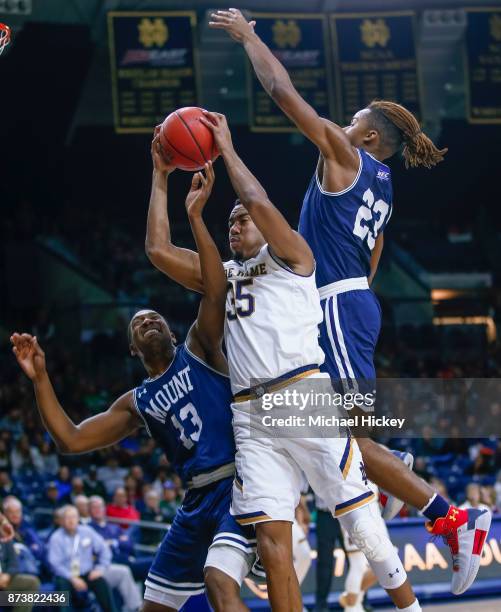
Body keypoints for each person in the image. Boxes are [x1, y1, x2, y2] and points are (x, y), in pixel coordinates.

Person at [207, 7, 491, 596]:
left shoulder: (344, 156)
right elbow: (375, 254)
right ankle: (399, 480)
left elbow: (283, 91)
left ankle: (452, 521)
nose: (339, 122)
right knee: (348, 441)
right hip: (354, 302)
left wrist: (250, 36)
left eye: (352, 120)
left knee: (353, 441)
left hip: (337, 306)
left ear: (364, 136)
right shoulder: (384, 188)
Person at [147, 114, 420, 612]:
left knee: (360, 522)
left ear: (270, 228)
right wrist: (161, 176)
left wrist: (226, 149)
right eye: (228, 220)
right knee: (274, 546)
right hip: (251, 417)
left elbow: (256, 200)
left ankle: (411, 607)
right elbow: (158, 250)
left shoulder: (295, 256)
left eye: (241, 219)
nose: (234, 221)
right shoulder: (221, 278)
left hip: (302, 394)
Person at [11, 162, 257, 612]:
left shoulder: (199, 348)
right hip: (195, 500)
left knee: (222, 589)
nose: (149, 320)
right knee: (152, 608)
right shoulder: (137, 402)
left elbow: (216, 290)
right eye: (139, 321)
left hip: (237, 484)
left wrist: (196, 215)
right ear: (131, 348)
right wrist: (41, 378)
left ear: (170, 329)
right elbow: (70, 439)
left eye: (156, 317)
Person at [48, 504, 116, 612]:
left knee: (101, 582)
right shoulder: (56, 538)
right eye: (68, 518)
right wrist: (72, 578)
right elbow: (54, 564)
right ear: (61, 521)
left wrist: (100, 568)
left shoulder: (87, 531)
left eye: (74, 517)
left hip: (87, 573)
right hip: (66, 576)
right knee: (62, 588)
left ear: (78, 518)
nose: (71, 520)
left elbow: (104, 550)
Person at [0, 537, 40, 612]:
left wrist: (8, 575)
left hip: (5, 580)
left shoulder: (4, 536)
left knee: (32, 583)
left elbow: (13, 562)